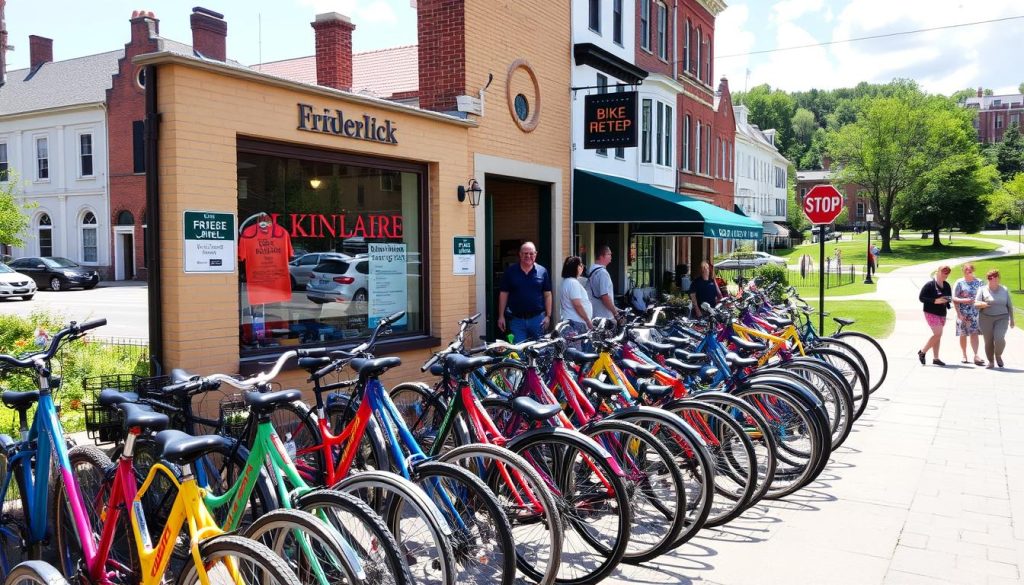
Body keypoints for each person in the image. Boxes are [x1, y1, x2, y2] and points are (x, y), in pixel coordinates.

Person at [497, 241, 552, 342]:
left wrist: (548, 316)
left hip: (538, 320)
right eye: (525, 253)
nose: (528, 256)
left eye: (531, 253)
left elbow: (547, 294)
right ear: (520, 254)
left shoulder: (542, 271)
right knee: (519, 352)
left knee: (540, 351)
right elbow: (503, 294)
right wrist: (501, 316)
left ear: (535, 254)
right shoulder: (510, 271)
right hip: (517, 320)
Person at [975, 269, 1015, 369]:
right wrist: (982, 304)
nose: (994, 279)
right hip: (985, 318)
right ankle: (991, 361)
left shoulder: (1004, 289)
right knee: (988, 341)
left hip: (1002, 317)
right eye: (991, 278)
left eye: (996, 277)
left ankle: (998, 355)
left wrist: (1012, 319)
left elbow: (1009, 305)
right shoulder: (982, 289)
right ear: (988, 279)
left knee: (999, 338)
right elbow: (976, 303)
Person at [917, 265, 952, 366]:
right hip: (930, 312)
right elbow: (921, 298)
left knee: (938, 336)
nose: (945, 275)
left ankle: (936, 358)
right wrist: (935, 301)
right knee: (938, 334)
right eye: (943, 272)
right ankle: (922, 352)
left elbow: (949, 297)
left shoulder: (947, 285)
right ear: (938, 272)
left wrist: (946, 300)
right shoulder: (930, 285)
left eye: (947, 273)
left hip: (942, 313)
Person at [951, 263, 984, 365]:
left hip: (975, 314)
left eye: (970, 269)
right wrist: (963, 301)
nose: (968, 271)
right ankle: (964, 355)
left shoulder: (979, 282)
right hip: (962, 313)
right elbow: (954, 298)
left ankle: (976, 355)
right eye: (966, 269)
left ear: (973, 270)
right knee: (963, 334)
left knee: (974, 334)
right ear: (963, 271)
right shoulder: (959, 282)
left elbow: (985, 296)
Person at [560, 256, 593, 339]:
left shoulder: (566, 281)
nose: (582, 267)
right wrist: (587, 320)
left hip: (572, 322)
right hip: (576, 323)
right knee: (579, 350)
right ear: (576, 267)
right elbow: (577, 304)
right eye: (581, 265)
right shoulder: (573, 283)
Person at [587, 244, 620, 321]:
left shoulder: (592, 270)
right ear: (601, 256)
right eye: (609, 254)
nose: (611, 256)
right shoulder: (602, 273)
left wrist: (617, 309)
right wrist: (616, 314)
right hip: (605, 317)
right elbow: (604, 297)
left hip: (595, 314)